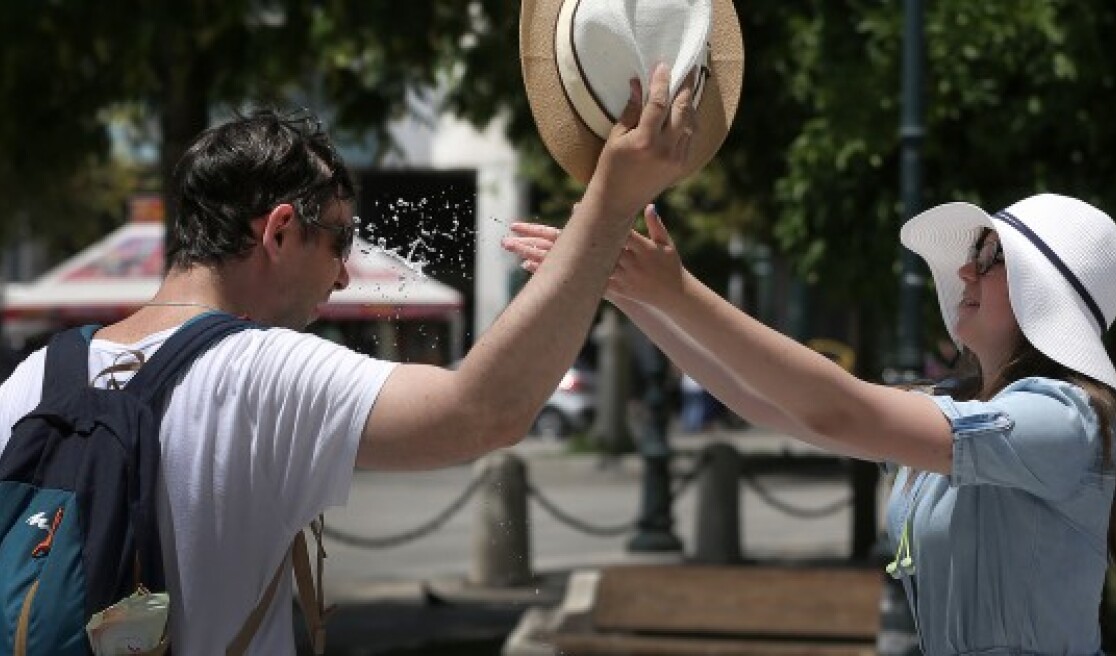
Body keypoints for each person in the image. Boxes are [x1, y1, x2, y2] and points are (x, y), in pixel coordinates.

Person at [0, 63, 697, 654]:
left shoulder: (33, 378)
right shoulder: (261, 373)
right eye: (338, 240)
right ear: (278, 231)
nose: (341, 277)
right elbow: (483, 412)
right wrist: (610, 203)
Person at [505, 193, 1116, 654]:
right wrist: (633, 293)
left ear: (1046, 290)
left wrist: (675, 292)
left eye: (993, 258)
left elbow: (838, 409)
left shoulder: (1067, 420)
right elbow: (768, 404)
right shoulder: (965, 404)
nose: (967, 271)